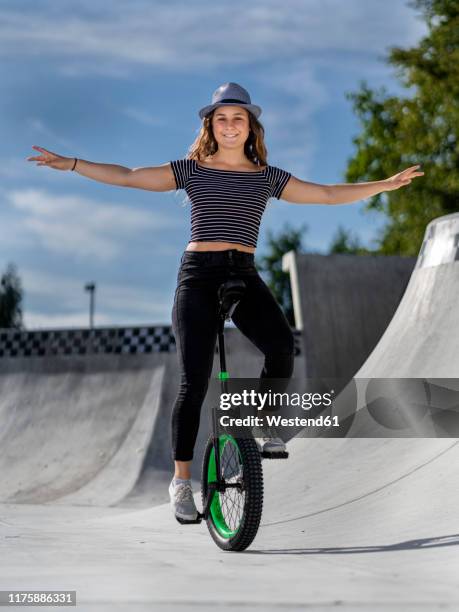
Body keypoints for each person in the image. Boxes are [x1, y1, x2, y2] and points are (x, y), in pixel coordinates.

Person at [27, 82, 424, 522]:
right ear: (210, 126)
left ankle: (261, 419)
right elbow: (130, 175)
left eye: (238, 118)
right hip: (197, 277)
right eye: (222, 118)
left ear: (250, 126)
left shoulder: (267, 177)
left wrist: (384, 186)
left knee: (279, 346)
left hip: (244, 274)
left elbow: (327, 194)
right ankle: (181, 482)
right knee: (193, 381)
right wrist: (74, 164)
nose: (230, 125)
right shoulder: (192, 170)